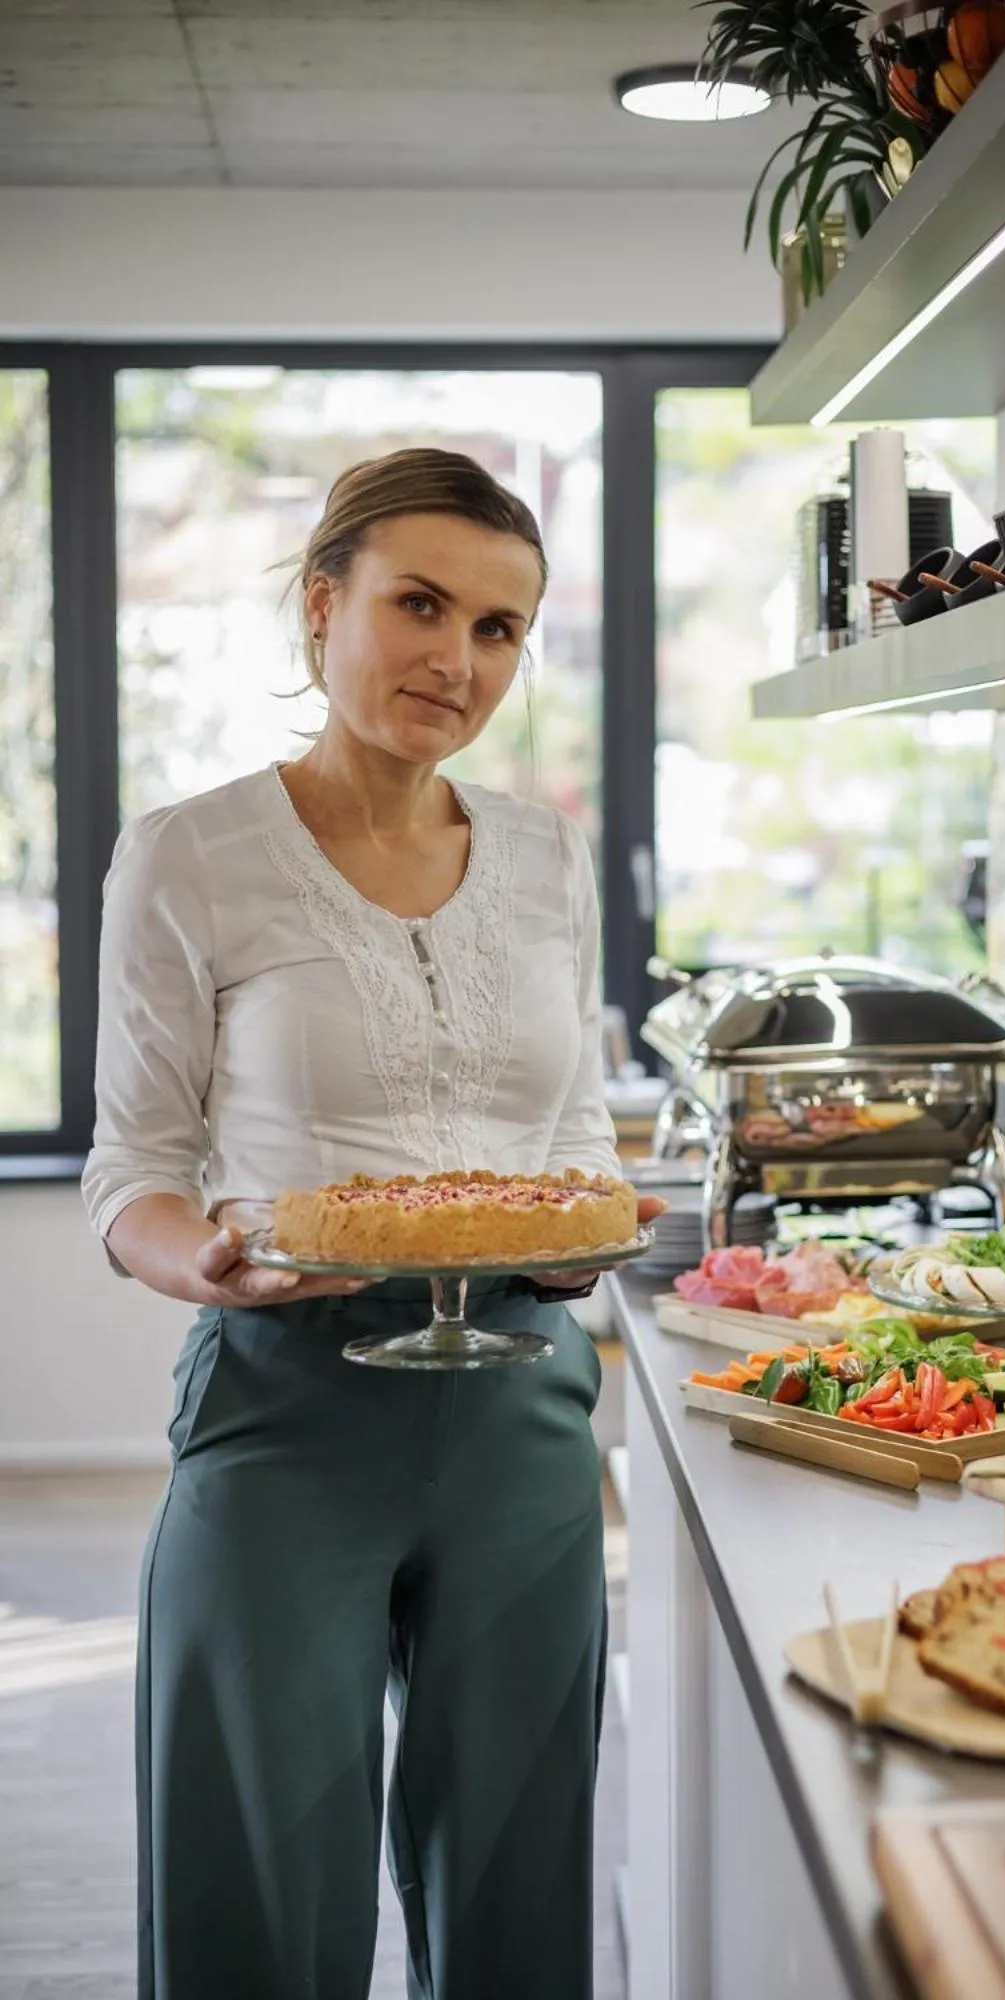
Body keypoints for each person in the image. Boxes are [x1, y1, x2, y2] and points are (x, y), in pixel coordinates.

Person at [82, 447, 664, 2000]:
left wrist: (582, 1228)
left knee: (518, 1875)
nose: (458, 660)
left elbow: (570, 1135)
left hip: (523, 1401)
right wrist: (196, 1255)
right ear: (322, 608)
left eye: (499, 629)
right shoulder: (189, 853)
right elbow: (129, 1165)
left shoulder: (543, 856)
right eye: (420, 604)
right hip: (287, 1406)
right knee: (255, 1879)